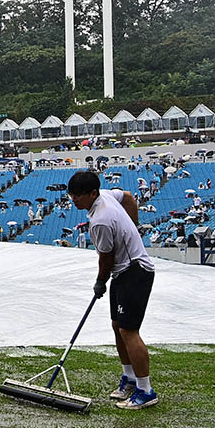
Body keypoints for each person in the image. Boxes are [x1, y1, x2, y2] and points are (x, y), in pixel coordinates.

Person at [68, 170, 158, 410]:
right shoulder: (106, 196)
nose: (74, 200)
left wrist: (100, 282)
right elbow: (128, 197)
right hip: (123, 271)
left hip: (135, 271)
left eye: (78, 196)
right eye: (71, 195)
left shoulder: (101, 220)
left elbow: (105, 259)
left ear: (92, 193)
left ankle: (145, 390)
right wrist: (133, 226)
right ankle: (129, 378)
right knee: (117, 326)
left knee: (129, 330)